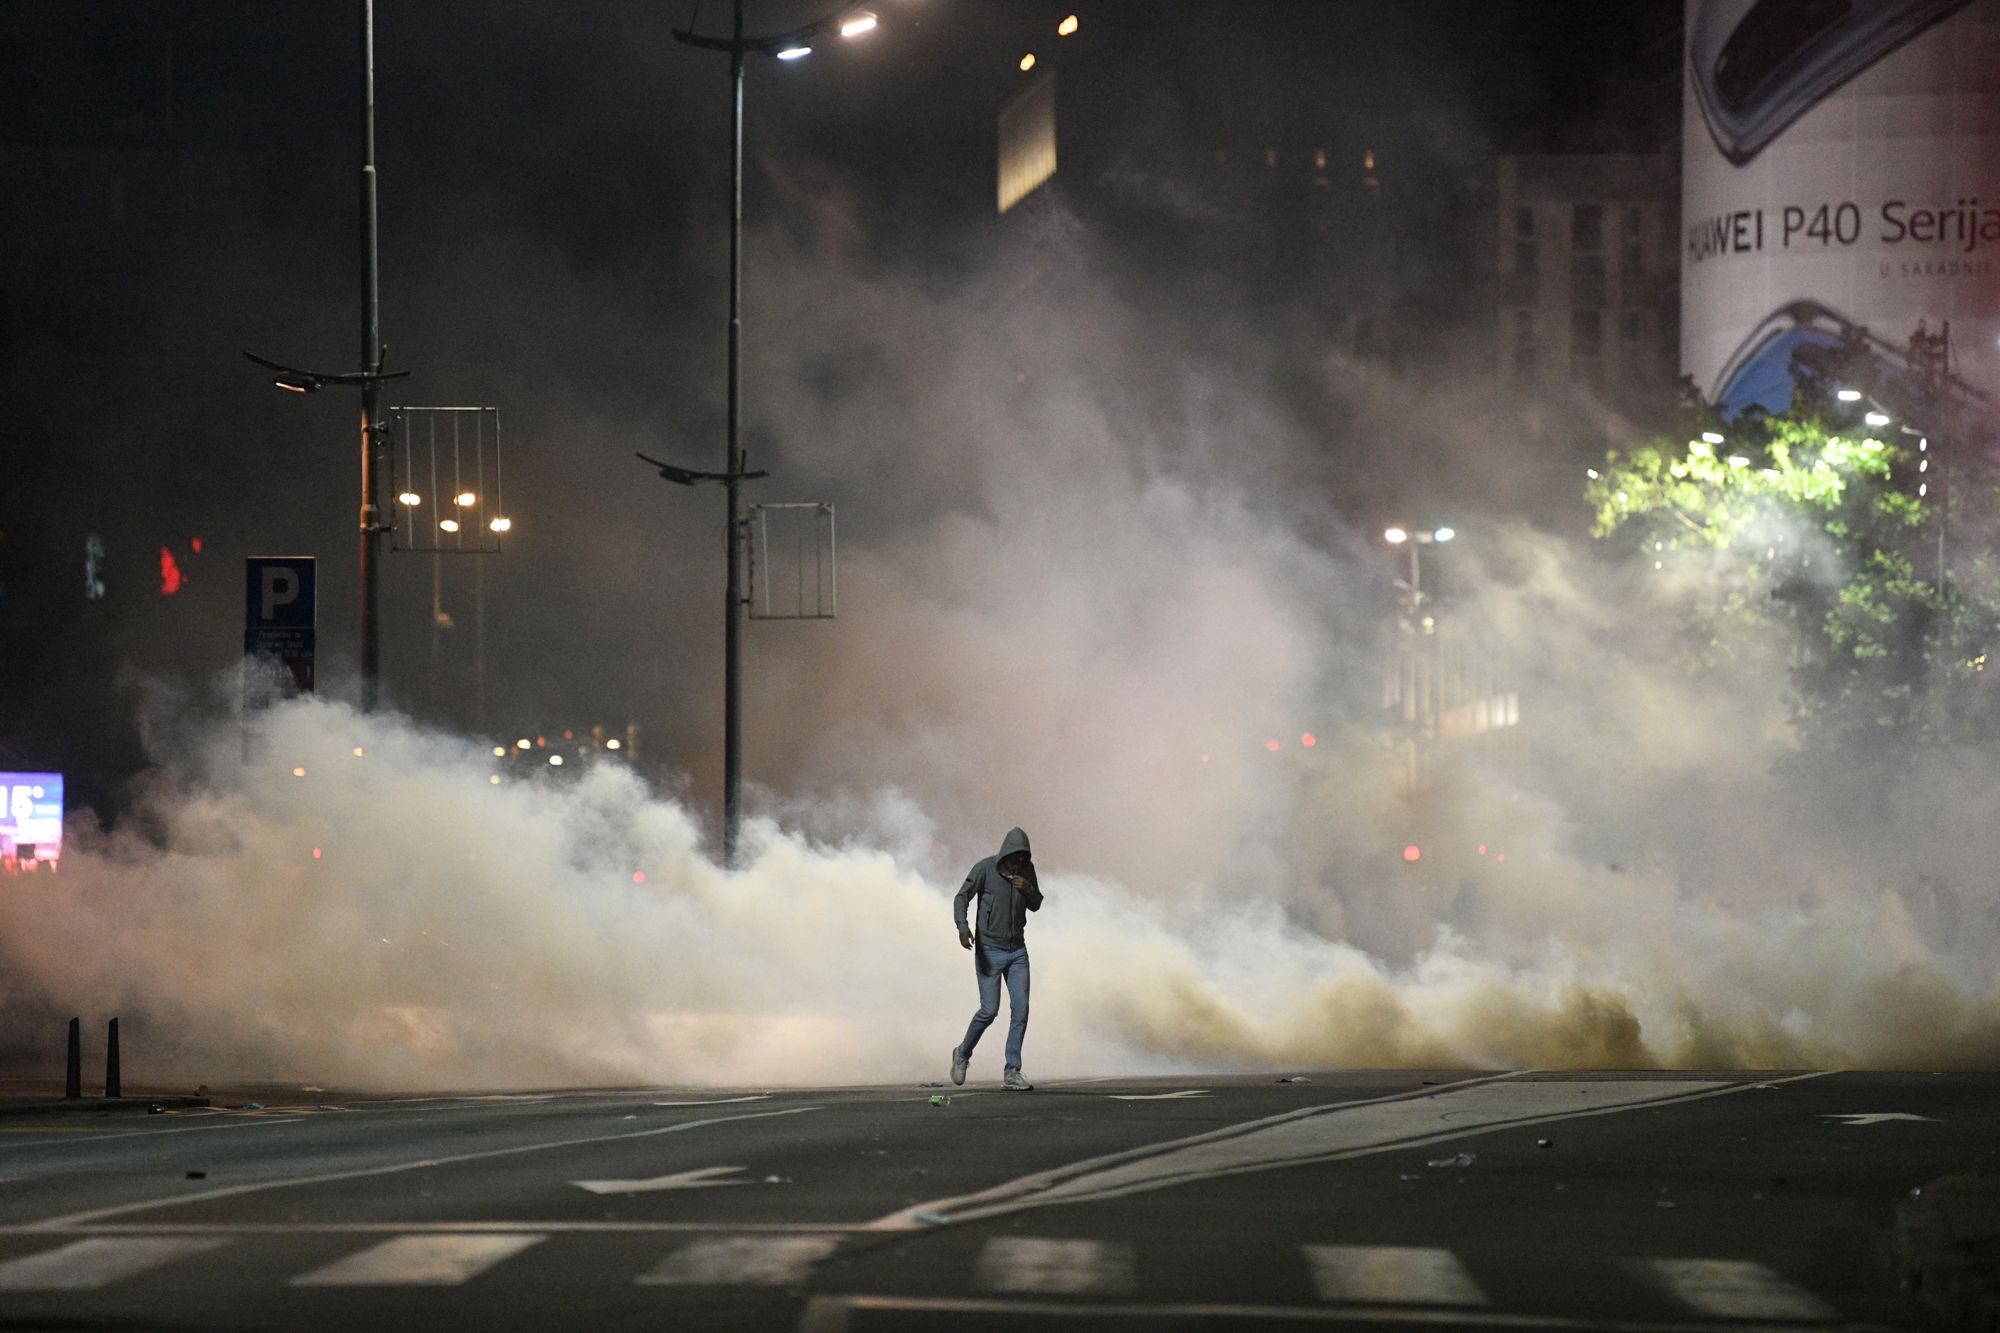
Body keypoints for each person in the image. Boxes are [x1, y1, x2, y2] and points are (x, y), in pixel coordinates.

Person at [949, 827, 1042, 1091]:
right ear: (1006, 854)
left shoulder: (1027, 872)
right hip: (989, 950)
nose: (1019, 863)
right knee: (989, 1011)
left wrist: (1028, 889)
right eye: (1016, 858)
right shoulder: (985, 869)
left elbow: (1036, 904)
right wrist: (962, 927)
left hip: (1017, 952)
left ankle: (1012, 1071)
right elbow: (961, 897)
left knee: (1021, 1010)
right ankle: (962, 1053)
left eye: (1024, 858)